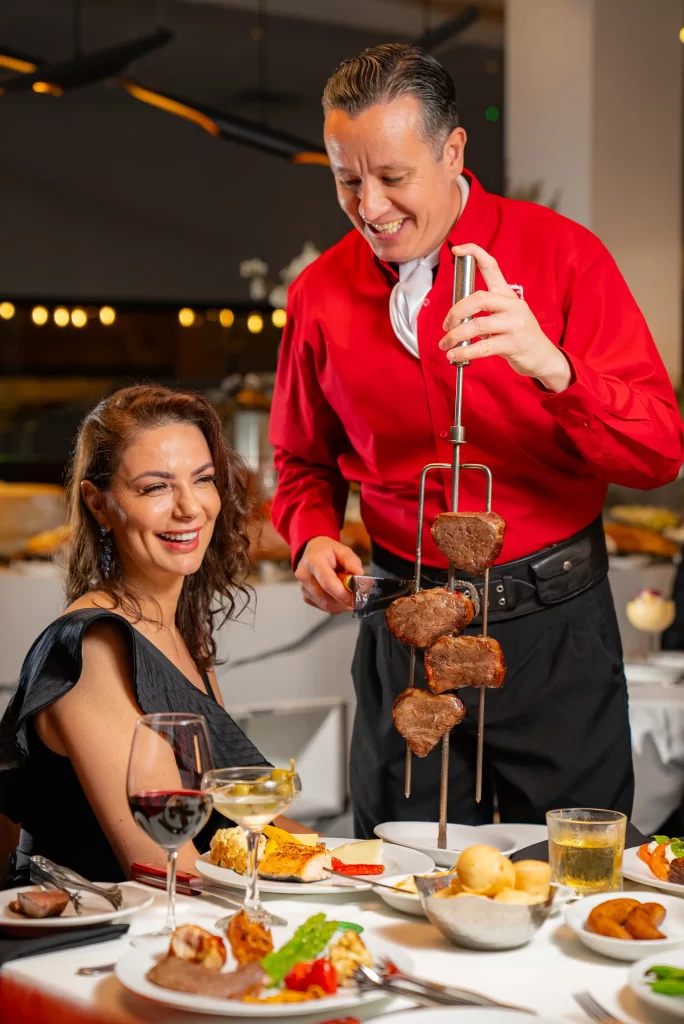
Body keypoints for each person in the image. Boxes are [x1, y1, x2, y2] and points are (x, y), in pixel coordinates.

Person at [269, 44, 684, 838]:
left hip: (554, 634)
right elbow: (301, 459)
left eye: (393, 177)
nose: (371, 207)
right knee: (398, 878)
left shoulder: (565, 257)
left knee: (572, 882)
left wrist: (552, 367)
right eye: (347, 180)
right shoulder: (318, 293)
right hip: (404, 627)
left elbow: (659, 452)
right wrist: (312, 534)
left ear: (453, 151)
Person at [0, 384, 305, 886]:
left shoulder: (177, 630)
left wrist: (364, 865)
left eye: (202, 479)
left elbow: (230, 822)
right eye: (155, 487)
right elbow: (164, 867)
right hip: (92, 944)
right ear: (99, 504)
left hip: (177, 921)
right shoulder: (94, 647)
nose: (189, 508)